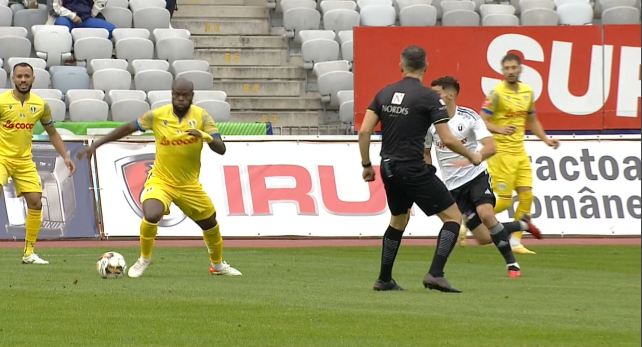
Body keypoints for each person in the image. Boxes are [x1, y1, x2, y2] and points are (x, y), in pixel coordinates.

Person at [77, 78, 242, 278]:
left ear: (192, 96)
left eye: (185, 95)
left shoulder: (202, 117)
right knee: (152, 213)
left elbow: (221, 149)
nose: (180, 99)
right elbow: (128, 127)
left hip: (189, 185)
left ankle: (217, 265)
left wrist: (204, 137)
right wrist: (97, 144)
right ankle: (144, 258)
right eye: (176, 95)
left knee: (210, 223)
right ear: (172, 94)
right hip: (161, 180)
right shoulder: (157, 116)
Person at [359, 46, 482, 293]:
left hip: (388, 167)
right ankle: (436, 274)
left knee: (398, 219)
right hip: (413, 168)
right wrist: (472, 155)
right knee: (453, 217)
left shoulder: (384, 93)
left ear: (400, 66)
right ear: (426, 68)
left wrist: (365, 165)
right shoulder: (429, 98)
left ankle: (384, 279)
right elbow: (447, 139)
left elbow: (364, 131)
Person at [424, 76, 543, 278]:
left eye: (437, 94)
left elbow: (491, 146)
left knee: (487, 214)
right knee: (484, 237)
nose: (432, 98)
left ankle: (512, 265)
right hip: (454, 187)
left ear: (451, 94)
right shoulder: (430, 123)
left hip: (476, 176)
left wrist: (473, 158)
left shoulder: (469, 117)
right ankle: (522, 224)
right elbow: (426, 151)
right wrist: (428, 172)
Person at [482, 53, 559, 254]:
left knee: (527, 197)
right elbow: (482, 120)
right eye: (506, 68)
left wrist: (546, 139)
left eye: (513, 68)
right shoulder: (496, 93)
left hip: (519, 151)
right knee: (505, 200)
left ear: (520, 69)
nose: (510, 71)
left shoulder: (527, 91)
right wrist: (498, 130)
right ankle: (472, 218)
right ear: (502, 70)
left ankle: (515, 241)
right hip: (501, 152)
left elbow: (532, 120)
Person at [0, 62, 76, 264]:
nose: (23, 80)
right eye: (19, 76)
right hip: (2, 157)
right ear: (12, 79)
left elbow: (52, 132)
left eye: (27, 76)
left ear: (33, 79)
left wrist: (66, 157)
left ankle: (29, 253)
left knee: (35, 202)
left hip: (24, 160)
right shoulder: (2, 102)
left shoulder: (40, 105)